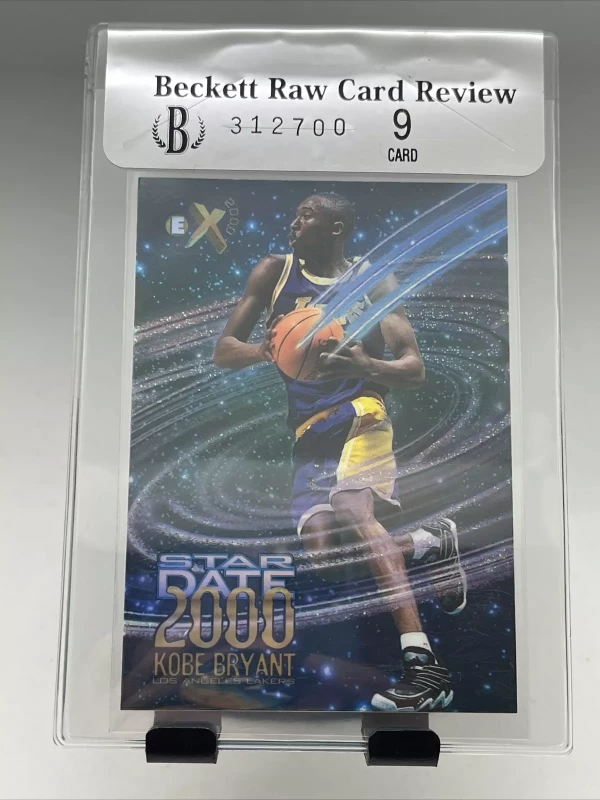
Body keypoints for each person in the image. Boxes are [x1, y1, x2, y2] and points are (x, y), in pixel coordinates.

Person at [214, 193, 467, 711]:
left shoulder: (373, 279)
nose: (294, 222)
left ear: (336, 228)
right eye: (296, 213)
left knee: (355, 511)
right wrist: (267, 349)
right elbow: (224, 351)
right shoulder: (274, 272)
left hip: (360, 409)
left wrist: (365, 365)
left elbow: (414, 368)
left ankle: (425, 668)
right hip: (308, 430)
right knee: (326, 555)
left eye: (308, 215)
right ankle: (429, 541)